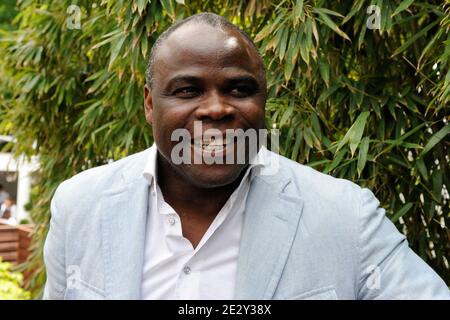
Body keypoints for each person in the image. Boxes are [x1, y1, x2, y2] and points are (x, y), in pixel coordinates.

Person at [43, 13, 450, 300]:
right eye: (188, 90)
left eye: (240, 89)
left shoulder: (345, 216)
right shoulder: (81, 205)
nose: (217, 109)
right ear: (150, 104)